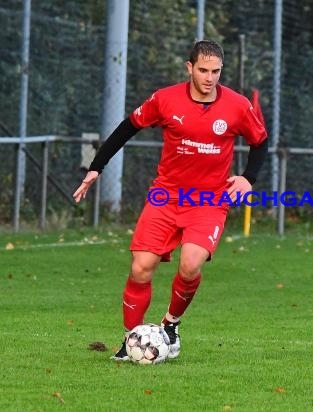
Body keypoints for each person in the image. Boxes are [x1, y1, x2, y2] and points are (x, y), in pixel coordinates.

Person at [73, 39, 268, 361]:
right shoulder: (165, 99)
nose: (209, 78)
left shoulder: (237, 105)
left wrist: (248, 178)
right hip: (165, 196)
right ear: (189, 68)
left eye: (216, 71)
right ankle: (131, 338)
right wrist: (97, 168)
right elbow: (126, 128)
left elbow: (260, 142)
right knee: (140, 268)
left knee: (191, 265)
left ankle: (171, 324)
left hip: (208, 201)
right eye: (203, 70)